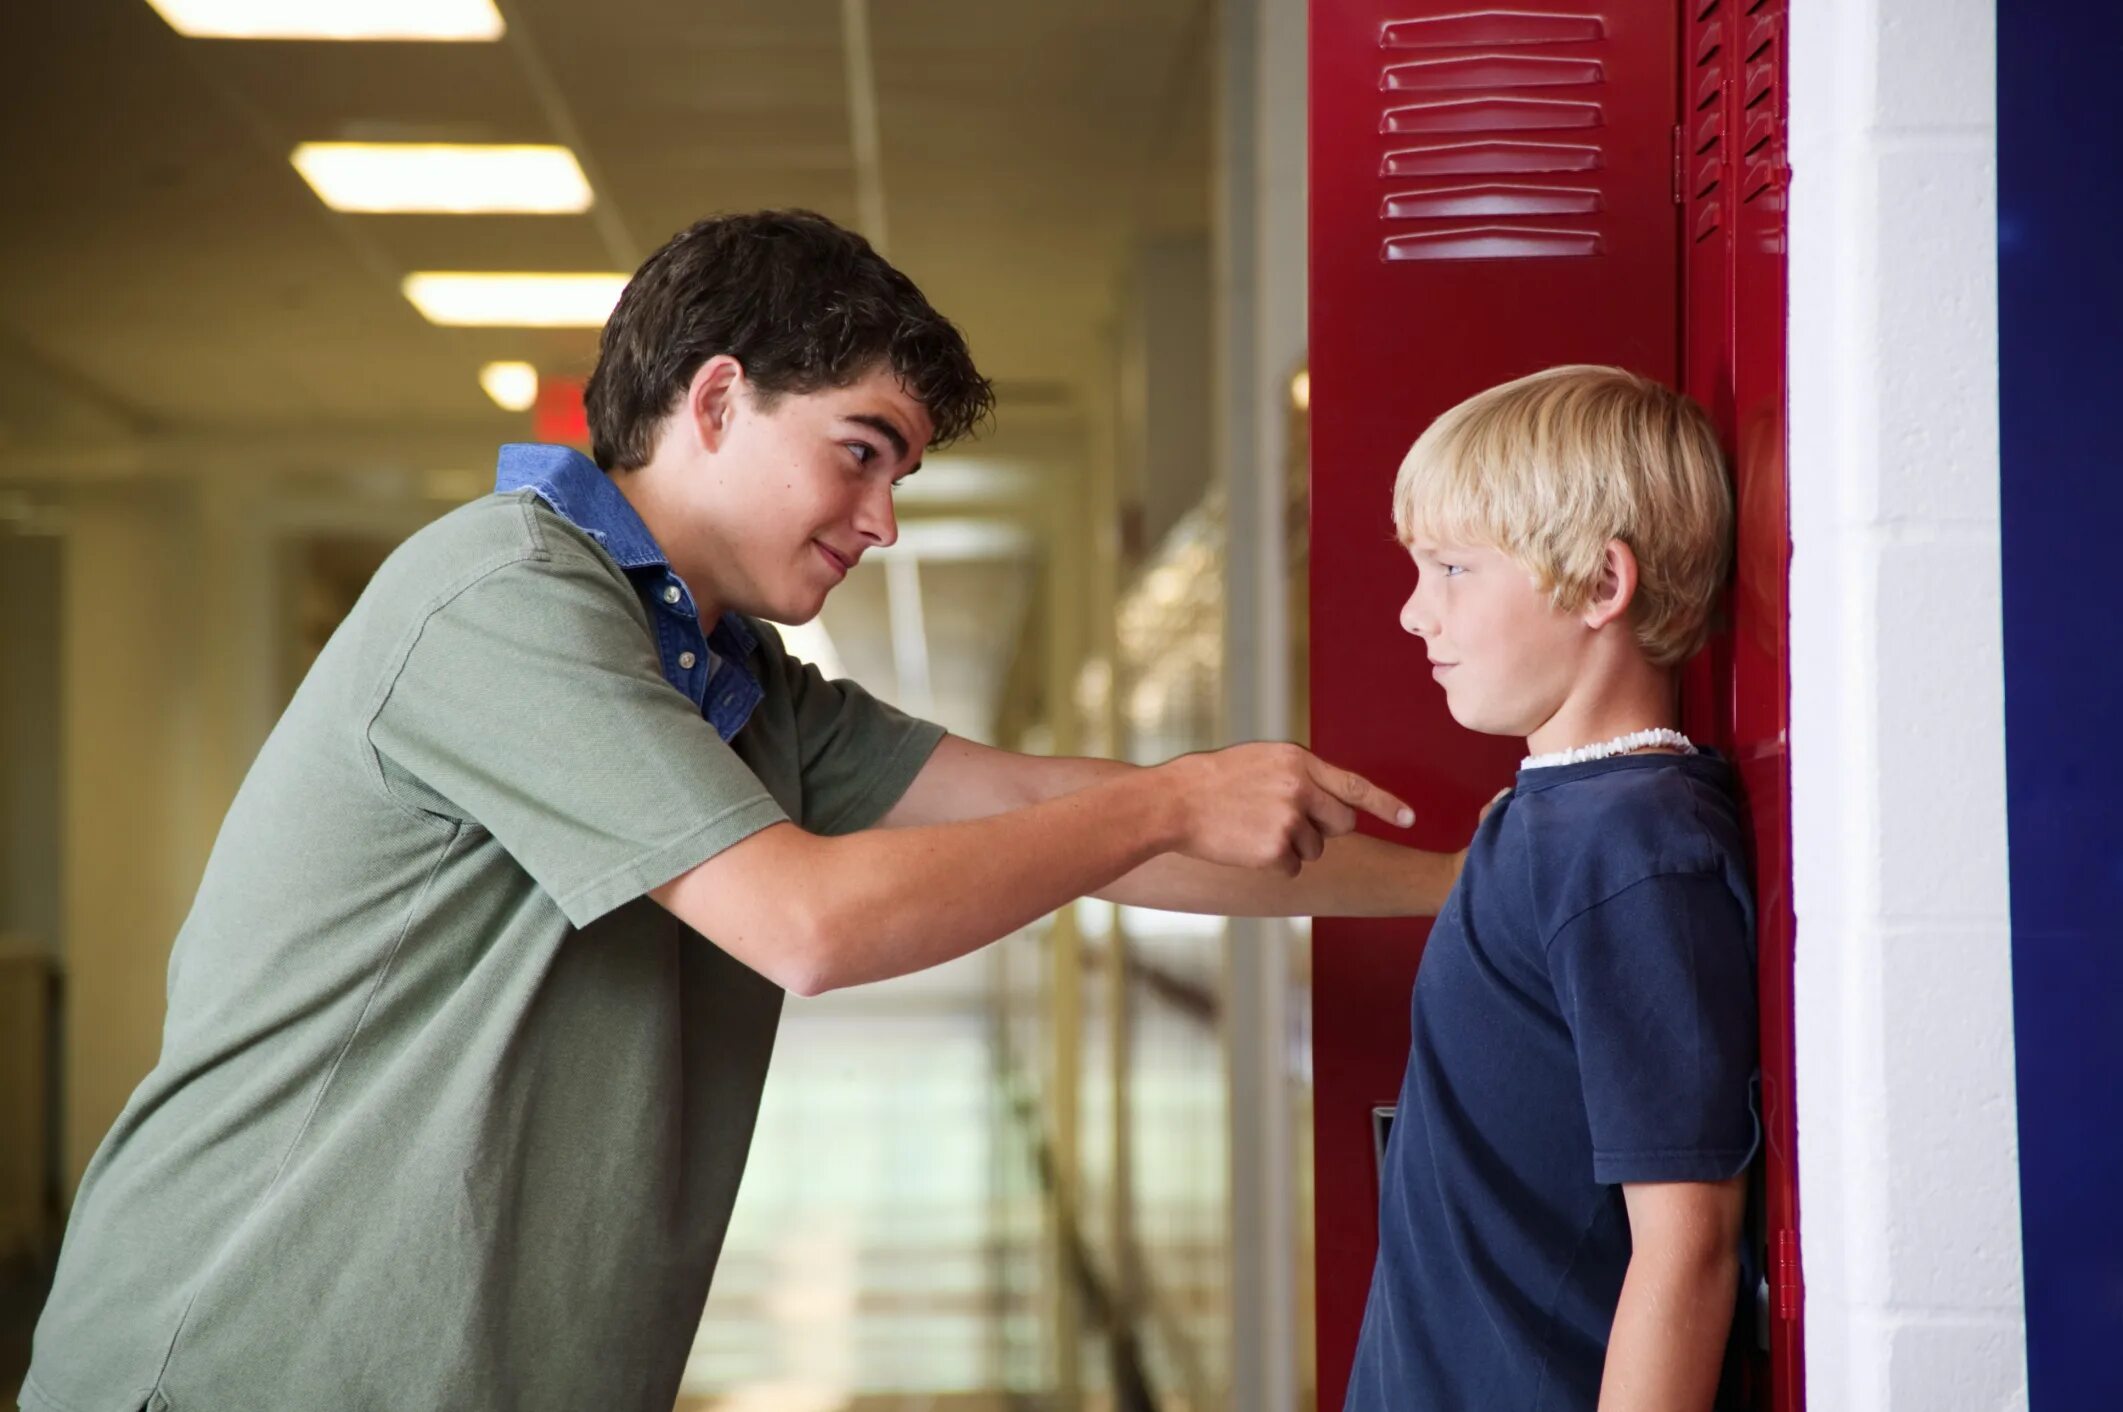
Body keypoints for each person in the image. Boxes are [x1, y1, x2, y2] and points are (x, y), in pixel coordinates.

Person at [24, 210, 1463, 1412]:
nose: (883, 516)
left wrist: (1479, 884)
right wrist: (1165, 797)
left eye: (901, 472)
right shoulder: (498, 602)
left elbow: (1084, 823)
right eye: (861, 449)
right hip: (237, 1362)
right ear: (713, 401)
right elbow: (805, 926)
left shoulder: (738, 685)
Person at [1345, 366, 1759, 1411]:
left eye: (1450, 568)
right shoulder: (1554, 820)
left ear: (1598, 585)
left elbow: (1687, 1247)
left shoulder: (1629, 851)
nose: (1410, 611)